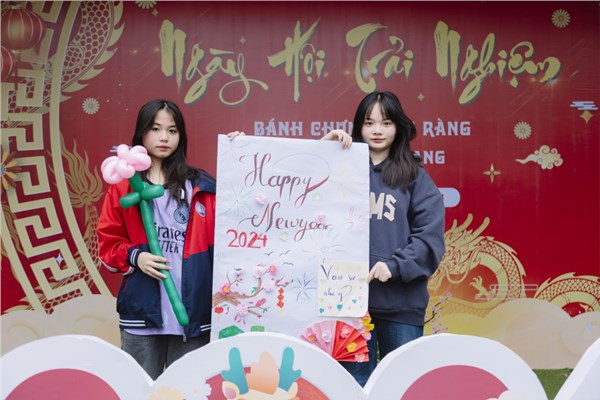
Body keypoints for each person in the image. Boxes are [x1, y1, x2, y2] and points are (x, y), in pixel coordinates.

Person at [98, 98, 243, 379]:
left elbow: (238, 222)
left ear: (181, 136)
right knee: (137, 390)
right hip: (142, 315)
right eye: (155, 129)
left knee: (190, 391)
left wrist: (240, 154)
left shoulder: (201, 187)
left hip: (193, 315)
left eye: (172, 130)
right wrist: (136, 257)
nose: (164, 137)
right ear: (141, 133)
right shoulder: (123, 186)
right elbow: (108, 245)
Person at [324, 91, 446, 386]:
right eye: (369, 123)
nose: (377, 130)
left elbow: (430, 238)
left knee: (401, 384)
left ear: (398, 127)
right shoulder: (340, 170)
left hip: (401, 304)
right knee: (353, 386)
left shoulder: (414, 176)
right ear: (359, 127)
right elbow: (297, 197)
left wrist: (395, 266)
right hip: (348, 304)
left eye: (386, 123)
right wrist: (322, 154)